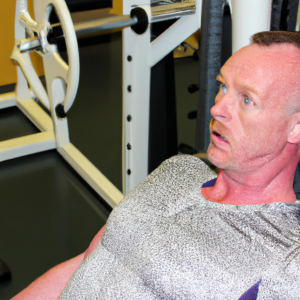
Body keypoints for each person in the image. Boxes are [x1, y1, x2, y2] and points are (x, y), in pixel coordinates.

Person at [13, 31, 300, 299]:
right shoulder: (178, 171)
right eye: (223, 86)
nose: (217, 108)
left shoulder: (285, 260)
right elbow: (89, 259)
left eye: (247, 100)